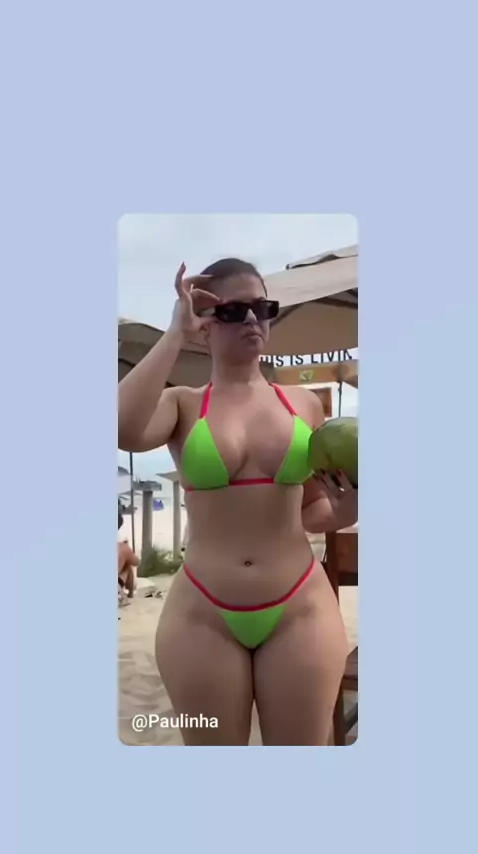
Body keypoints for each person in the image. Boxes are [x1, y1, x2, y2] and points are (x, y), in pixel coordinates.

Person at [118, 258, 358, 745]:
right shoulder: (183, 403)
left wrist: (346, 511)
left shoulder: (304, 405)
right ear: (205, 324)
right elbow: (121, 428)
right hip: (203, 612)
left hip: (300, 605)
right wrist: (174, 333)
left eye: (263, 308)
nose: (252, 319)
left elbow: (311, 511)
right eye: (233, 311)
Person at [118, 510, 139, 601]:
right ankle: (130, 594)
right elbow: (136, 562)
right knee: (128, 566)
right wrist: (128, 549)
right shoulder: (122, 547)